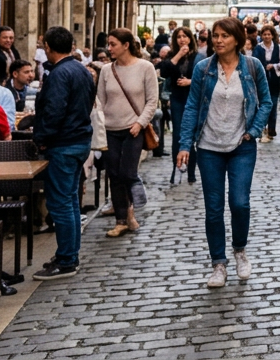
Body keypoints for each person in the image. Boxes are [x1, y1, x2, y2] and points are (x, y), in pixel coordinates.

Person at [177, 18, 273, 288]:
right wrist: (185, 144)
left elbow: (266, 101)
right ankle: (218, 263)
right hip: (209, 147)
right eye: (215, 36)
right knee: (213, 208)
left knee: (240, 202)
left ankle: (240, 250)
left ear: (237, 39)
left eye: (224, 36)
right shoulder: (203, 69)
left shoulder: (252, 67)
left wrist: (253, 130)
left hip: (242, 145)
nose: (218, 40)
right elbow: (193, 106)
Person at [31, 26, 95, 281]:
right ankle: (68, 255)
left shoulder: (60, 73)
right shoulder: (81, 69)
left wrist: (43, 138)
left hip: (65, 144)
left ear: (48, 46)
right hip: (77, 141)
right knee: (68, 202)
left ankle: (67, 259)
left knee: (61, 203)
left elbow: (55, 111)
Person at [97, 28, 159, 237]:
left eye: (113, 44)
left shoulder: (145, 67)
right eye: (109, 44)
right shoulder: (107, 70)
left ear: (126, 45)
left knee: (127, 173)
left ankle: (130, 211)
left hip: (133, 130)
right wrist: (99, 123)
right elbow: (100, 101)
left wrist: (140, 123)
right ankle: (122, 219)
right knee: (114, 175)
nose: (109, 48)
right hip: (110, 130)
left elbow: (152, 100)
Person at [160, 27, 200, 183]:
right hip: (177, 99)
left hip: (193, 99)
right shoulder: (172, 56)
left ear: (190, 39)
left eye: (185, 36)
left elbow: (205, 78)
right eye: (179, 37)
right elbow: (164, 72)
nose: (182, 39)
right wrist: (178, 55)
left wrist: (190, 82)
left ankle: (191, 171)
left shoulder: (198, 57)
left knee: (190, 137)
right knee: (178, 136)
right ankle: (176, 169)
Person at [253, 25, 280, 143]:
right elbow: (254, 62)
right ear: (261, 36)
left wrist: (274, 66)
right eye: (264, 34)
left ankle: (271, 129)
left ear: (272, 35)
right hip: (262, 80)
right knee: (262, 105)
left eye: (269, 34)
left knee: (272, 104)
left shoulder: (278, 47)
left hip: (274, 80)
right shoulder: (258, 48)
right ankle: (262, 128)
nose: (267, 36)